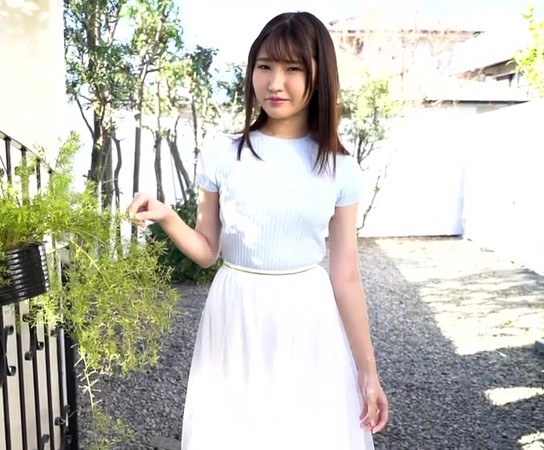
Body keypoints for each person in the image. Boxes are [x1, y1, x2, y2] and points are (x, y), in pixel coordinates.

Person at [127, 11, 388, 450]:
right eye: (265, 66)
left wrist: (368, 371)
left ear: (319, 76)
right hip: (236, 309)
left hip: (307, 315)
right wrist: (167, 216)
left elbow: (346, 276)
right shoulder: (222, 153)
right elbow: (208, 251)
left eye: (293, 68)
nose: (275, 83)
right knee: (235, 431)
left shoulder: (340, 167)